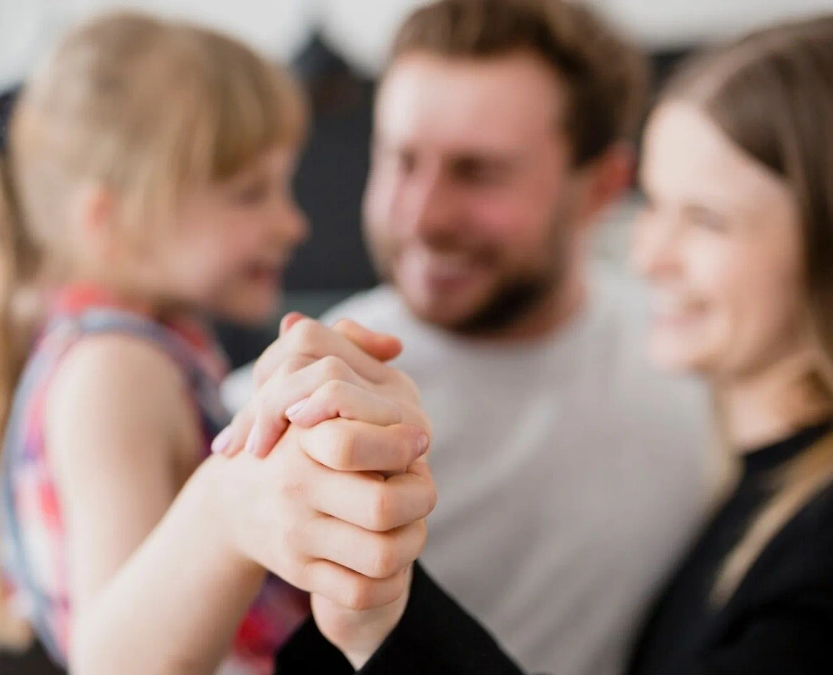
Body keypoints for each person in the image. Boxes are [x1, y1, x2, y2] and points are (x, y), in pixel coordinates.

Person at [272, 13, 833, 674]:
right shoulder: (760, 481)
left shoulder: (806, 527)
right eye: (655, 204)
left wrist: (381, 612)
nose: (649, 257)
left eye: (707, 219)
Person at [0, 11, 439, 675]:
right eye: (250, 194)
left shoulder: (141, 349)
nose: (291, 223)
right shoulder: (117, 370)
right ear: (110, 219)